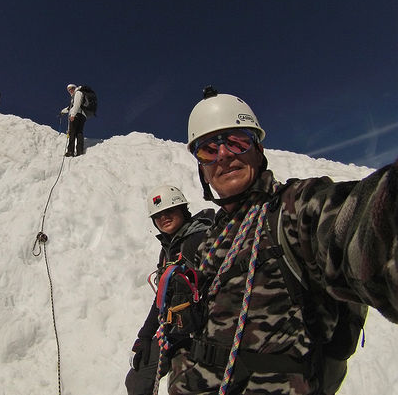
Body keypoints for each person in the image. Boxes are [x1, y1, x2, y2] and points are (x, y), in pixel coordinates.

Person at [163, 87, 398, 395]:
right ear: (202, 169)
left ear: (258, 149)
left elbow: (364, 225)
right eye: (208, 149)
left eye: (236, 141)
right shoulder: (211, 241)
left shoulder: (294, 209)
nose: (223, 155)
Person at [125, 185, 214, 395]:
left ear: (183, 210)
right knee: (138, 380)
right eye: (157, 216)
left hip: (203, 329)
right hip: (175, 329)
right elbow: (162, 297)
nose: (163, 218)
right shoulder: (168, 251)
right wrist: (145, 336)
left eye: (169, 211)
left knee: (182, 386)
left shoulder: (199, 240)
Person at [60, 83, 86, 157]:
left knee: (72, 132)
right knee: (79, 132)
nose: (70, 90)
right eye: (69, 90)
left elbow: (76, 104)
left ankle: (70, 151)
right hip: (82, 115)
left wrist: (73, 115)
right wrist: (62, 111)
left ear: (75, 88)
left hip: (77, 115)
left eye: (71, 88)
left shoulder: (78, 93)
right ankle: (79, 151)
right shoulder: (76, 96)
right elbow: (69, 108)